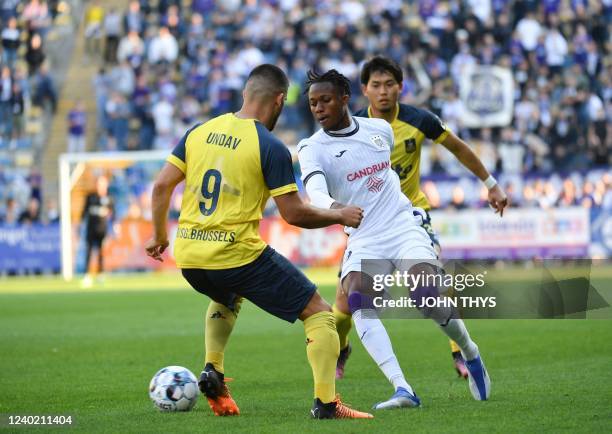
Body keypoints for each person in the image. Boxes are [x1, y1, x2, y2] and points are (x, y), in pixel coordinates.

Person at [145, 64, 372, 420]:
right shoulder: (269, 146)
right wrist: (338, 214)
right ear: (280, 101)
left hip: (189, 256)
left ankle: (212, 370)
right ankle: (327, 404)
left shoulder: (199, 130)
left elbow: (160, 186)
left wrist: (159, 235)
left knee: (226, 294)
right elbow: (294, 214)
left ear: (244, 95)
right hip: (234, 254)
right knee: (320, 314)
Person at [298, 68, 500, 410]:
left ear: (345, 99)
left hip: (404, 226)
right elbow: (314, 192)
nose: (318, 108)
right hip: (363, 237)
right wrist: (337, 209)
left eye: (325, 100)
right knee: (358, 300)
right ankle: (403, 389)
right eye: (313, 103)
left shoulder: (380, 131)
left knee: (426, 294)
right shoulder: (311, 148)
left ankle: (470, 352)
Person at [81, 175, 113, 285]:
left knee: (101, 253)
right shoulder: (90, 197)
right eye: (99, 184)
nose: (100, 186)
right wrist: (80, 227)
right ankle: (87, 275)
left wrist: (113, 229)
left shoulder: (109, 198)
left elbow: (113, 214)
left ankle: (100, 275)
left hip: (103, 230)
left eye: (103, 184)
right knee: (89, 252)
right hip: (91, 229)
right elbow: (83, 213)